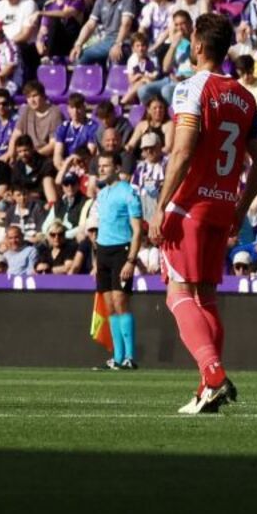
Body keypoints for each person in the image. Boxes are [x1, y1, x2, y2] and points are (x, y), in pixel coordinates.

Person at [149, 13, 257, 414]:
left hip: (190, 206)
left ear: (198, 46)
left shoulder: (192, 88)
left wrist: (162, 204)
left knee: (178, 294)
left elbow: (182, 150)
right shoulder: (245, 96)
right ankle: (207, 388)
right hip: (221, 205)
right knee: (206, 297)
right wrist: (240, 206)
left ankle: (214, 374)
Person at [93, 150, 144, 370]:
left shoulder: (128, 193)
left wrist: (131, 260)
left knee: (121, 302)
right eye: (100, 165)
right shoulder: (102, 194)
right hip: (103, 252)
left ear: (116, 167)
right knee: (110, 306)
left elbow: (137, 230)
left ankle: (129, 357)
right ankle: (117, 356)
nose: (101, 169)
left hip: (121, 251)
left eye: (106, 165)